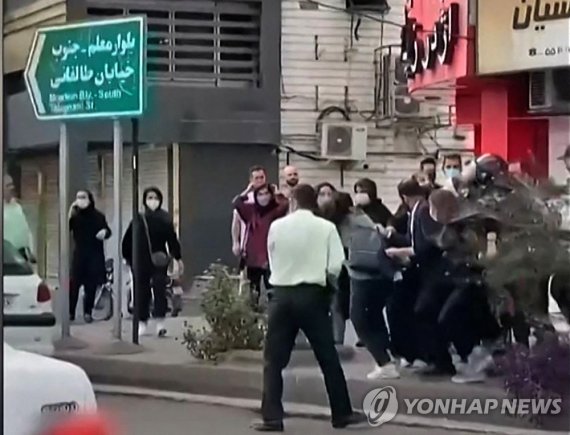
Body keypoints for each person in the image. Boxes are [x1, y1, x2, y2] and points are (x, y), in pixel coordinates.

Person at [251, 184, 360, 431]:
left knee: (273, 360)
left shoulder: (277, 226)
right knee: (327, 357)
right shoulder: (326, 228)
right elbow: (335, 265)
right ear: (315, 203)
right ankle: (341, 414)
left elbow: (271, 256)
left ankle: (272, 417)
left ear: (293, 202)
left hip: (281, 294)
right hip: (312, 295)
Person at [344, 198, 400, 380]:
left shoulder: (347, 222)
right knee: (374, 316)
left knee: (359, 318)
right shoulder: (365, 219)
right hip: (379, 272)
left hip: (362, 274)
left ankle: (384, 362)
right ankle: (386, 358)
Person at [122, 187, 183, 337]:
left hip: (159, 261)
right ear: (144, 200)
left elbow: (172, 239)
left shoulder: (165, 219)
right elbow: (128, 240)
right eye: (149, 197)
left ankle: (160, 323)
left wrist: (177, 257)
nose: (152, 201)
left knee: (159, 289)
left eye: (155, 197)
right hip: (140, 261)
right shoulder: (138, 219)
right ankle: (142, 322)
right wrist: (127, 258)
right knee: (141, 292)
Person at [233, 184, 288, 308]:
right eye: (260, 194)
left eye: (266, 193)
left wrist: (278, 193)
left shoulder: (276, 211)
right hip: (253, 257)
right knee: (253, 293)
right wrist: (248, 190)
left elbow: (286, 204)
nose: (263, 197)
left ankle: (274, 320)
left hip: (271, 257)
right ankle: (253, 321)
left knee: (273, 292)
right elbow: (237, 202)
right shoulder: (250, 210)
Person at [68, 190, 111, 323]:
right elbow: (66, 228)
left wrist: (105, 232)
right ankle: (71, 312)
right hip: (79, 254)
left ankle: (88, 312)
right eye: (78, 197)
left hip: (94, 255)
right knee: (74, 284)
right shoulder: (75, 217)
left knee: (91, 286)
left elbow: (108, 231)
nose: (80, 200)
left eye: (83, 197)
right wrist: (71, 210)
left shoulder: (98, 216)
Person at [231, 166, 268, 259]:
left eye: (262, 177)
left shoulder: (271, 197)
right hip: (249, 246)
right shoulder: (246, 199)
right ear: (251, 180)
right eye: (256, 178)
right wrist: (235, 242)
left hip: (267, 246)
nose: (260, 181)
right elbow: (236, 222)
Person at [3, 175, 34, 261]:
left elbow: (26, 229)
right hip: (5, 257)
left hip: (20, 255)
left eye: (12, 184)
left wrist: (31, 250)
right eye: (8, 185)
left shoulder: (18, 207)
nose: (11, 188)